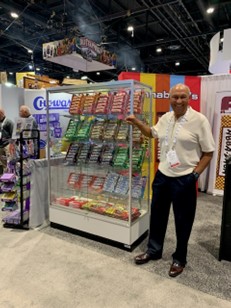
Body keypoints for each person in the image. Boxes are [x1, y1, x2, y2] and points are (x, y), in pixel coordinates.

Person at [126, 83, 215, 277]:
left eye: (183, 97)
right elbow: (152, 133)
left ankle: (179, 258)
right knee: (157, 216)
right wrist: (137, 122)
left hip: (185, 178)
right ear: (170, 98)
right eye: (175, 97)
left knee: (183, 221)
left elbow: (208, 152)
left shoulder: (199, 120)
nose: (179, 101)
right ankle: (154, 251)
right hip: (163, 176)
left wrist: (195, 175)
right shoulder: (165, 118)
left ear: (189, 98)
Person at [0, 108, 14, 174]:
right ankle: (5, 177)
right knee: (3, 163)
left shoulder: (9, 122)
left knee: (9, 162)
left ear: (1, 114)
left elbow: (13, 134)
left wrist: (12, 145)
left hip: (7, 145)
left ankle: (11, 176)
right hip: (0, 146)